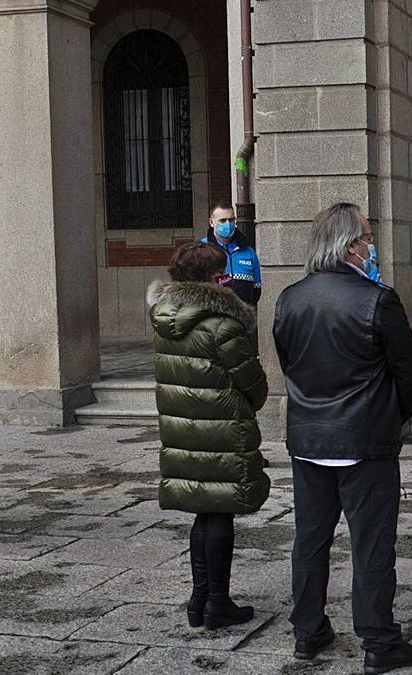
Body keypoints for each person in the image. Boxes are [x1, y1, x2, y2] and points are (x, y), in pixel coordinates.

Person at [273, 203, 412, 673]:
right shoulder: (378, 300)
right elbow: (409, 370)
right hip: (364, 441)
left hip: (310, 439)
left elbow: (289, 363)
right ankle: (379, 640)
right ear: (349, 245)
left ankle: (308, 631)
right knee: (372, 545)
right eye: (367, 234)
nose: (372, 241)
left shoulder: (288, 299)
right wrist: (393, 417)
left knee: (310, 541)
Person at [148, 242, 270, 630]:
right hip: (221, 429)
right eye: (223, 273)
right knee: (219, 514)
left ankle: (201, 597)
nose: (229, 279)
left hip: (183, 428)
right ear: (214, 279)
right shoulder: (223, 324)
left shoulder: (164, 315)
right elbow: (253, 384)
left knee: (204, 512)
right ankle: (217, 601)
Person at [202, 199, 262, 304]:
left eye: (231, 220)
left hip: (243, 315)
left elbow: (256, 289)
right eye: (223, 220)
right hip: (212, 315)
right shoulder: (202, 250)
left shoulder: (248, 252)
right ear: (211, 222)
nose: (228, 224)